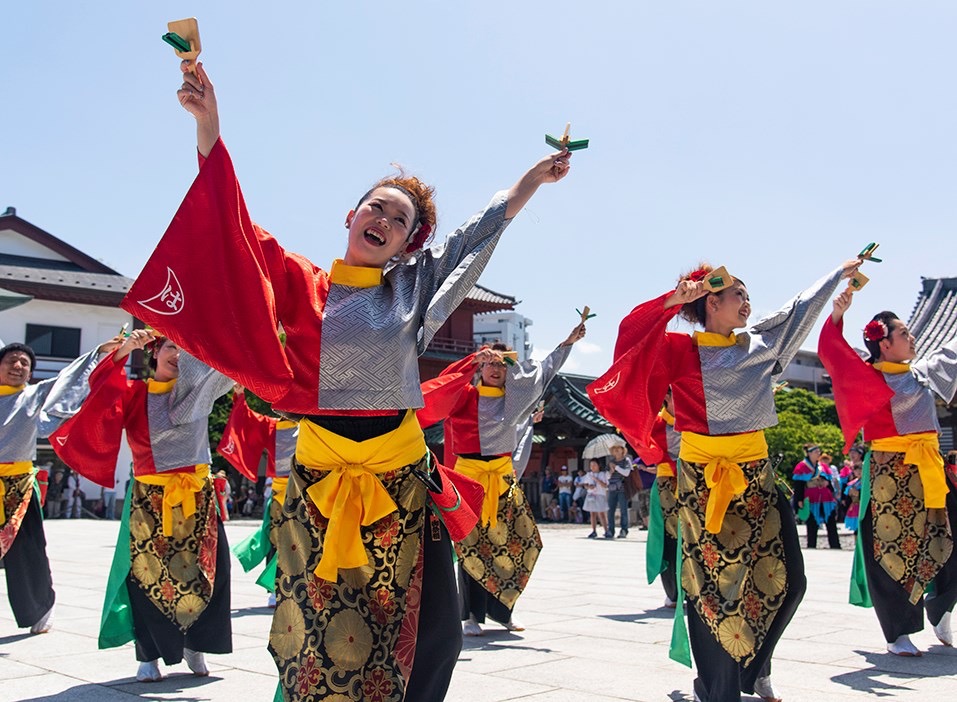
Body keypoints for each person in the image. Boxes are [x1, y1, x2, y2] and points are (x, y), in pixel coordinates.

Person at [120, 58, 573, 701]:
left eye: (399, 221)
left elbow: (481, 233)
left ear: (408, 247)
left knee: (434, 631)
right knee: (316, 629)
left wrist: (533, 178)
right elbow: (230, 224)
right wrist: (209, 127)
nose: (383, 221)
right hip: (322, 477)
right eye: (376, 207)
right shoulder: (303, 283)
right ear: (351, 213)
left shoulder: (414, 291)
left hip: (400, 473)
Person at [589, 258, 862, 702]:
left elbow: (799, 309)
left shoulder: (759, 344)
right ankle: (715, 689)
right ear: (711, 301)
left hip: (756, 477)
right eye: (739, 294)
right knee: (713, 590)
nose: (747, 302)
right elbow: (631, 342)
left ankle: (754, 668)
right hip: (703, 482)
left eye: (748, 295)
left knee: (789, 580)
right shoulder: (679, 350)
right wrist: (671, 301)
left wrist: (836, 274)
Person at [51, 331, 235, 682]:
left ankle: (196, 644)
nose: (177, 355)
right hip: (150, 500)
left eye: (185, 348)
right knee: (147, 576)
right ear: (154, 354)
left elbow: (234, 366)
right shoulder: (135, 394)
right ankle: (149, 654)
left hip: (197, 496)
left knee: (209, 570)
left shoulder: (200, 389)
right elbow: (99, 393)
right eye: (169, 347)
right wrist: (123, 350)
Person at [418, 327, 584, 637]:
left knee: (517, 544)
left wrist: (567, 343)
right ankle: (470, 615)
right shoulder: (463, 396)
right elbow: (440, 387)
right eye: (491, 363)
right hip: (469, 480)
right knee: (471, 548)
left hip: (503, 480)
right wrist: (470, 361)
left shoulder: (515, 401)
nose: (497, 369)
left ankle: (504, 611)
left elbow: (545, 370)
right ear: (482, 367)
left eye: (502, 364)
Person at [819, 291, 957, 655]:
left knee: (950, 534)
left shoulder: (922, 374)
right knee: (894, 547)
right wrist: (837, 314)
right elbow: (833, 353)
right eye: (905, 334)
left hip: (929, 467)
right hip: (889, 474)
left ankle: (941, 605)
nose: (912, 338)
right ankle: (898, 632)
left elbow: (953, 352)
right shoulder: (865, 376)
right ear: (883, 342)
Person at [0, 339, 116, 636]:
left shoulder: (34, 395)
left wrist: (100, 353)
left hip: (18, 487)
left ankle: (39, 608)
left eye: (25, 363)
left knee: (28, 551)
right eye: (12, 360)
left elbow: (71, 378)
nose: (18, 366)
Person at [218, 387, 300, 608]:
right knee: (275, 541)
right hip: (280, 495)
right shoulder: (272, 426)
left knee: (301, 542)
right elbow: (246, 419)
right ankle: (274, 589)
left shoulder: (311, 424)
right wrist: (239, 395)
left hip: (306, 493)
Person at [643, 389, 681, 609]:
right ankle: (674, 592)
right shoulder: (655, 423)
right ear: (666, 396)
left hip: (693, 481)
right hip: (667, 484)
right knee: (670, 538)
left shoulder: (695, 419)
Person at [791, 444, 841, 549]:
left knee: (830, 521)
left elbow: (830, 483)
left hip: (825, 498)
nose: (818, 453)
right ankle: (811, 545)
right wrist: (799, 500)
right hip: (811, 499)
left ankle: (835, 544)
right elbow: (799, 485)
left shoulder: (822, 467)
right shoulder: (802, 466)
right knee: (812, 522)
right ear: (809, 453)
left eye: (819, 451)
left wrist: (826, 483)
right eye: (815, 452)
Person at [606, 442, 633, 537]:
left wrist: (616, 467)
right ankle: (610, 530)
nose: (616, 450)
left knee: (623, 510)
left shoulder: (627, 460)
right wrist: (611, 471)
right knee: (610, 510)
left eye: (619, 448)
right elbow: (607, 476)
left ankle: (624, 530)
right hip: (612, 488)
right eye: (614, 448)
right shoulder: (611, 462)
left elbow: (627, 473)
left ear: (623, 450)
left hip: (623, 488)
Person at [582, 458, 610, 539]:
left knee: (601, 513)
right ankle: (594, 530)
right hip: (591, 495)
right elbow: (585, 485)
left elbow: (605, 485)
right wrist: (589, 486)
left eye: (594, 465)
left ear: (598, 465)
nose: (592, 467)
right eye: (591, 465)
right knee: (592, 513)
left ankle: (606, 530)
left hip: (600, 494)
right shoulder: (589, 474)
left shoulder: (603, 474)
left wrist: (596, 480)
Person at [842, 446, 865, 534]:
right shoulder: (848, 469)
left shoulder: (865, 466)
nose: (852, 454)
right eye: (850, 452)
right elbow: (845, 484)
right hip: (853, 502)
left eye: (854, 452)